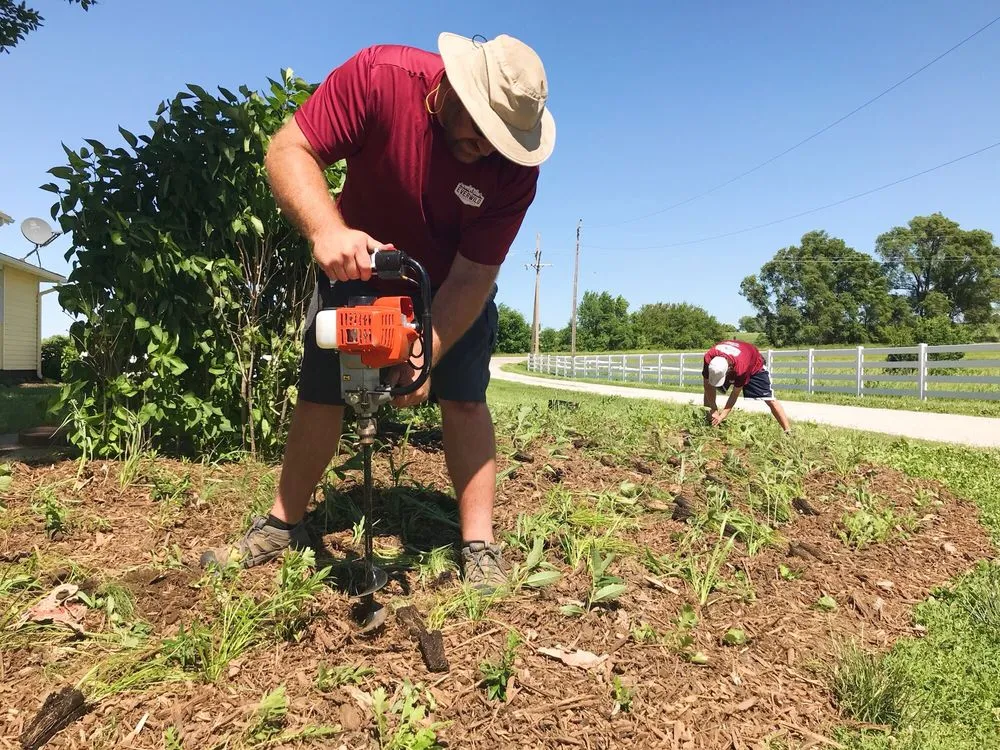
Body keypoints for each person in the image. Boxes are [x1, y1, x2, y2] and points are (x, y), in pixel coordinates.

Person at [199, 32, 556, 592]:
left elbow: (473, 275)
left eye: (506, 142)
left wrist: (426, 351)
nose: (490, 150)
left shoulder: (514, 170)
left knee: (464, 400)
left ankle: (479, 545)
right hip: (358, 269)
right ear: (457, 88)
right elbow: (288, 149)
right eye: (485, 133)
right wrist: (326, 229)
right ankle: (281, 524)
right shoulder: (380, 77)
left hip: (449, 287)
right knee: (321, 395)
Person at [702, 339, 791, 432]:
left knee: (769, 399)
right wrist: (714, 408)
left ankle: (788, 431)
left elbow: (735, 393)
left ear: (729, 369)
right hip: (737, 356)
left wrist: (722, 416)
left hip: (754, 365)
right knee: (709, 387)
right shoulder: (708, 358)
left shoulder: (741, 368)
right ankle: (709, 421)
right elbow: (707, 385)